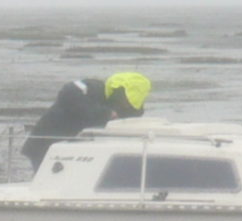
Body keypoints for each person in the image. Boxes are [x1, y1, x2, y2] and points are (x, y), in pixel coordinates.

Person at [22, 71, 151, 166]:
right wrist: (106, 114)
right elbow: (68, 93)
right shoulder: (89, 88)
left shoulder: (128, 109)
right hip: (46, 144)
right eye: (126, 100)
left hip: (80, 151)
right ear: (121, 91)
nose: (126, 104)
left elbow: (133, 119)